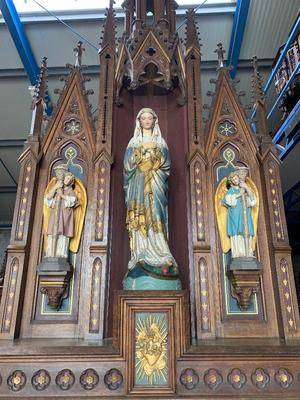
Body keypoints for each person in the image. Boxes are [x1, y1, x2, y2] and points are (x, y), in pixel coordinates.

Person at [123, 108, 179, 280]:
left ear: (154, 121)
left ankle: (161, 253)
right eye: (143, 118)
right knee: (140, 220)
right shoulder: (133, 142)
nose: (147, 121)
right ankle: (140, 253)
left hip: (155, 185)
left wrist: (153, 161)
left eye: (149, 118)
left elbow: (166, 166)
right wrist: (140, 160)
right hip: (138, 185)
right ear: (139, 122)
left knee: (156, 215)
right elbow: (127, 167)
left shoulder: (160, 141)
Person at [44, 167, 78, 258]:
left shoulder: (70, 191)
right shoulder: (57, 188)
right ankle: (51, 253)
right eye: (66, 178)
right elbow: (47, 199)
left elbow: (73, 200)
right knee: (52, 232)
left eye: (69, 179)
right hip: (55, 215)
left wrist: (62, 195)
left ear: (72, 181)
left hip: (65, 216)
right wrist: (56, 187)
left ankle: (61, 253)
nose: (67, 180)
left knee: (63, 234)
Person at [223, 169, 256, 258]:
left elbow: (253, 201)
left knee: (247, 230)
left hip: (245, 214)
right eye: (233, 180)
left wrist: (246, 187)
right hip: (235, 216)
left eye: (236, 178)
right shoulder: (232, 190)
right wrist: (238, 194)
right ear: (231, 182)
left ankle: (248, 252)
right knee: (237, 233)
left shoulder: (245, 188)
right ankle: (237, 253)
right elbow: (226, 200)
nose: (235, 181)